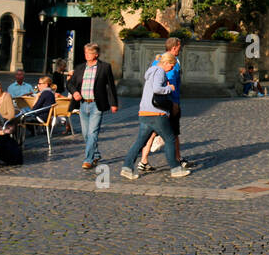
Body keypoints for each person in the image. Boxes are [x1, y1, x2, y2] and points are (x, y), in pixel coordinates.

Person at [120, 52, 192, 181]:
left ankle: (127, 167)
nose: (171, 68)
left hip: (145, 112)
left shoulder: (151, 71)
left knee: (140, 142)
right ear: (165, 62)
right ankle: (175, 169)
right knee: (170, 139)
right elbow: (157, 89)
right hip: (156, 112)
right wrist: (169, 88)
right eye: (171, 65)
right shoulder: (159, 71)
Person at [67, 43, 119, 171]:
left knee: (92, 132)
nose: (86, 55)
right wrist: (75, 92)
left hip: (97, 104)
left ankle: (88, 159)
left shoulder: (105, 67)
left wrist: (114, 103)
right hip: (83, 104)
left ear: (96, 54)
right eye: (85, 53)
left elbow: (111, 87)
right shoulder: (80, 68)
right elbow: (70, 83)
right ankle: (95, 154)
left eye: (89, 53)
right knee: (86, 133)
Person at [141, 37, 185, 172]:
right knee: (173, 133)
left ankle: (143, 160)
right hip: (168, 102)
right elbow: (169, 82)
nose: (180, 49)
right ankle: (177, 160)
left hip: (152, 104)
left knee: (151, 132)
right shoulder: (171, 62)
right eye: (179, 46)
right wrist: (174, 103)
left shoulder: (157, 60)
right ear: (174, 47)